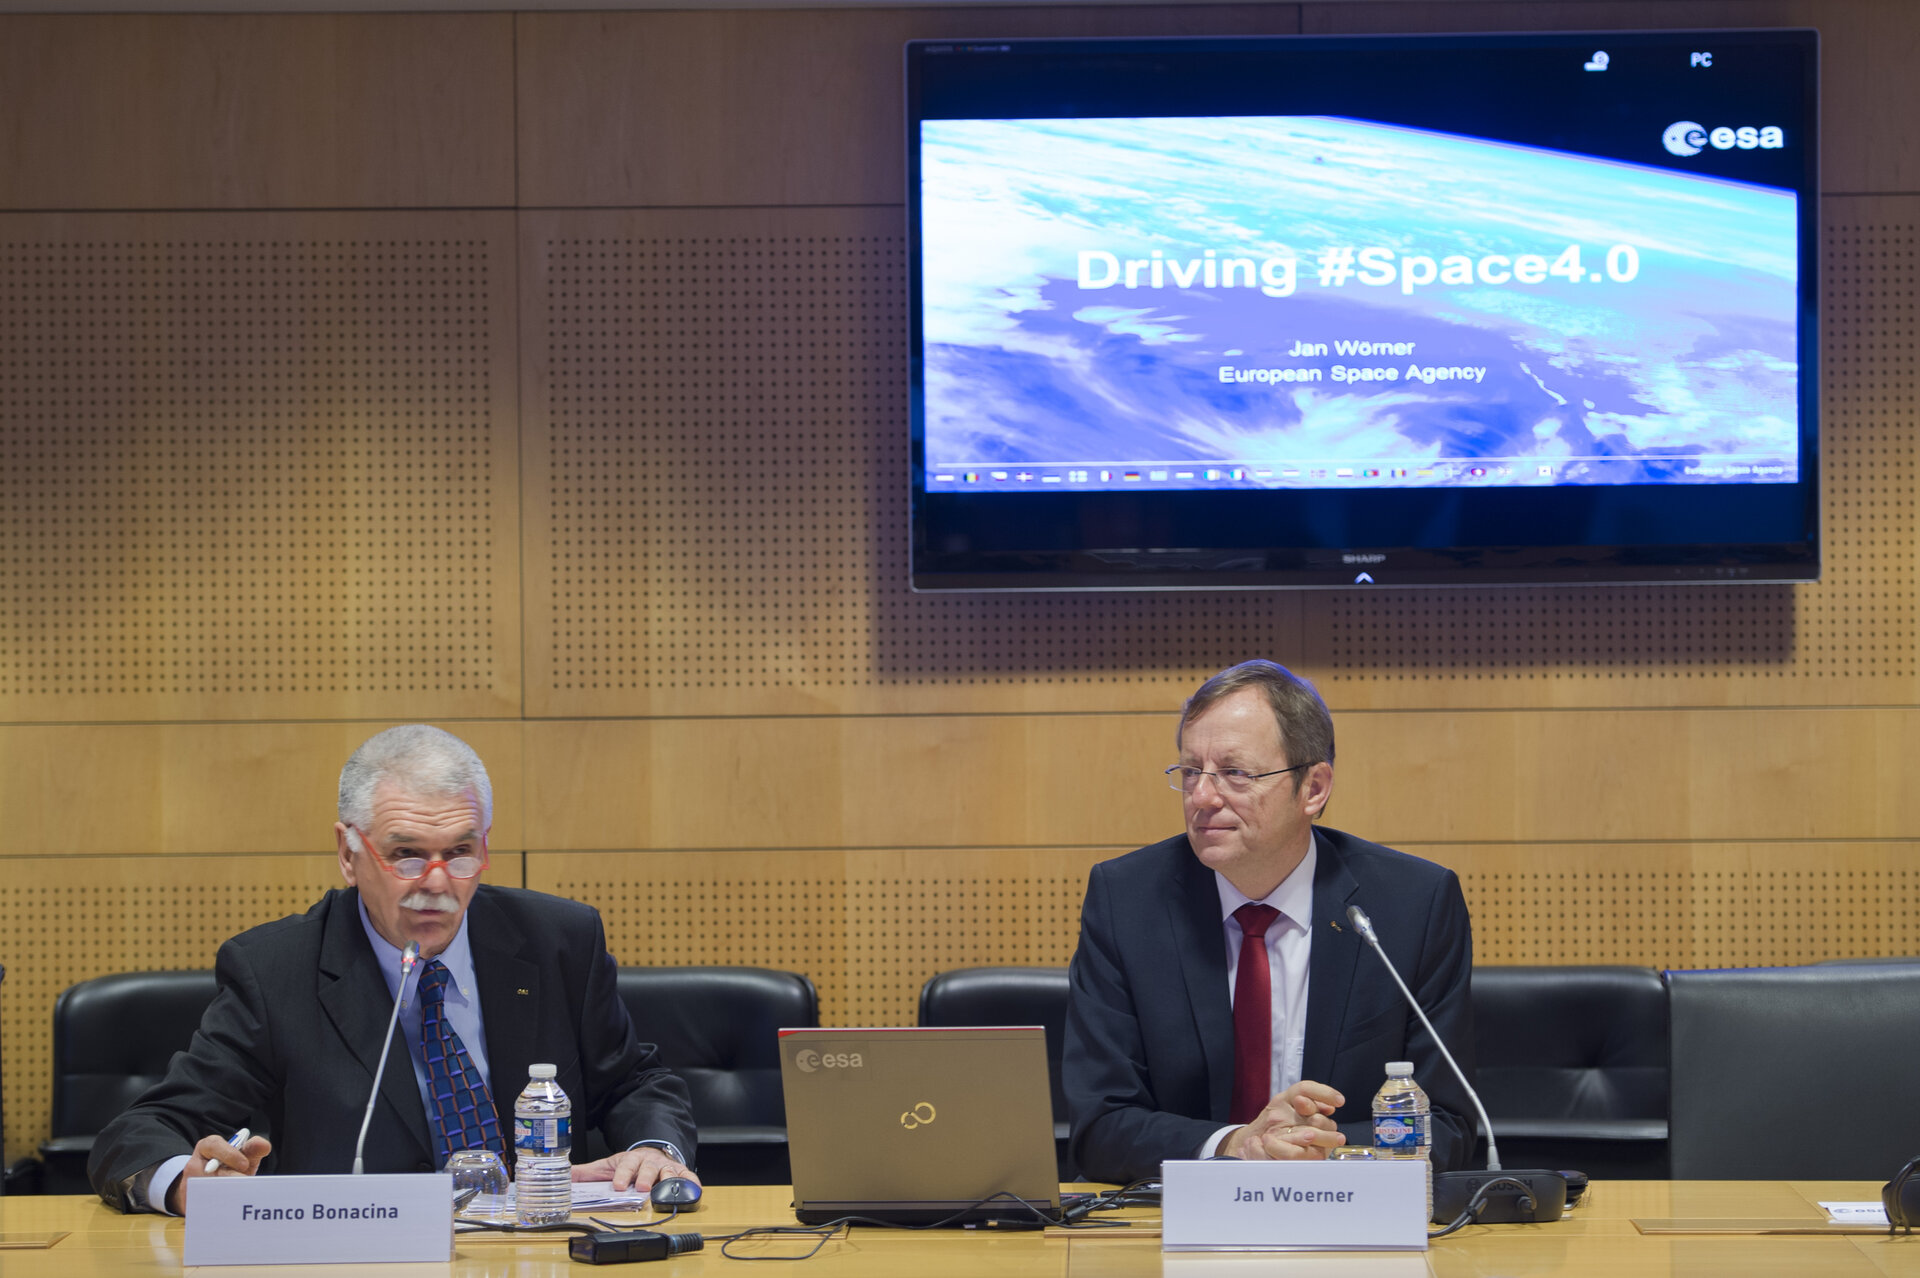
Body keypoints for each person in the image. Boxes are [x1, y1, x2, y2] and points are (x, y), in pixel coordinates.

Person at [90, 725, 698, 1215]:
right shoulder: (275, 972)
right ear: (348, 854)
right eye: (406, 854)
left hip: (537, 1247)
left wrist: (652, 1149)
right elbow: (145, 1129)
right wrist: (182, 1183)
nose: (436, 883)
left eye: (460, 852)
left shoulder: (558, 940)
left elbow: (634, 1081)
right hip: (360, 1255)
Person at [1063, 660, 1476, 1185]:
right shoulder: (1127, 901)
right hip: (1173, 1224)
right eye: (1192, 771)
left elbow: (1448, 1125)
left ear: (1314, 788)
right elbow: (1099, 1126)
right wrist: (1239, 1146)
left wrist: (1312, 1153)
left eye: (1235, 773)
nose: (1203, 798)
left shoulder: (1411, 905)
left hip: (1348, 1224)